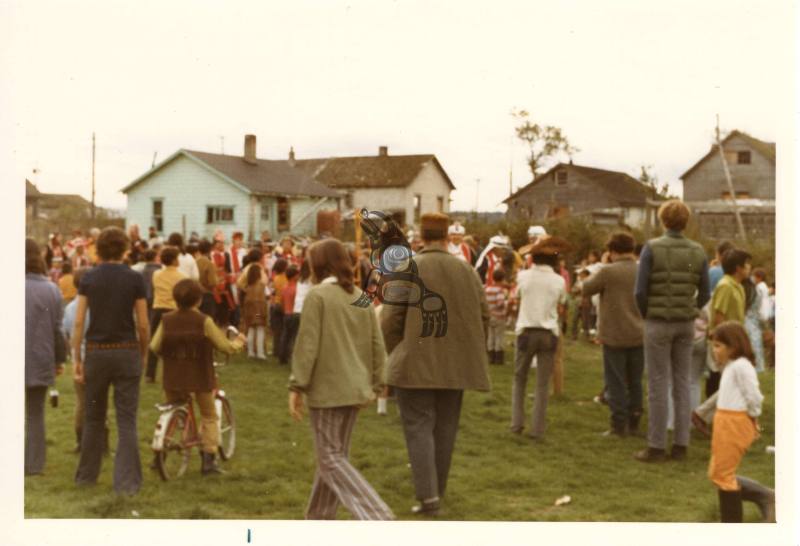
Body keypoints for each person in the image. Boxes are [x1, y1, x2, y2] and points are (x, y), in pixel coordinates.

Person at [382, 213, 490, 516]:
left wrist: (398, 350)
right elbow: (484, 315)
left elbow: (390, 319)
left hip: (414, 362)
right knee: (445, 429)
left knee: (418, 428)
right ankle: (436, 492)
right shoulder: (467, 270)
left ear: (420, 237)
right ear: (446, 236)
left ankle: (429, 498)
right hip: (456, 365)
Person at [289, 238, 394, 520]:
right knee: (335, 457)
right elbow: (377, 345)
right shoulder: (359, 296)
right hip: (355, 388)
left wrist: (297, 385)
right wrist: (376, 384)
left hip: (328, 390)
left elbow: (307, 344)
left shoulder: (317, 296)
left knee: (330, 458)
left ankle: (377, 515)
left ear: (318, 265)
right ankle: (320, 518)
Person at [73, 227, 150, 494]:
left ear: (100, 249)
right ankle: (126, 484)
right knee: (126, 419)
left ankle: (86, 477)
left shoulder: (89, 278)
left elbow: (80, 321)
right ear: (125, 249)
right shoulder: (135, 279)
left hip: (96, 353)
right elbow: (142, 324)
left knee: (94, 417)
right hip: (126, 350)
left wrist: (77, 358)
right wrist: (143, 352)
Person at [633, 200, 710, 463]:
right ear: (686, 221)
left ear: (663, 220)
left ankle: (656, 446)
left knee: (657, 383)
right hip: (685, 323)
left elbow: (640, 291)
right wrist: (690, 307)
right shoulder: (697, 251)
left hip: (657, 321)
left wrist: (647, 313)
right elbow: (704, 293)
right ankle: (680, 445)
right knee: (682, 383)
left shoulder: (651, 248)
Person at [150, 279, 246, 475]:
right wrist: (238, 342)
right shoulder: (204, 321)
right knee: (209, 416)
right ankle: (208, 461)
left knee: (173, 408)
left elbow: (154, 346)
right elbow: (224, 346)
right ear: (199, 300)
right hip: (200, 375)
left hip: (173, 376)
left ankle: (160, 455)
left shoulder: (166, 319)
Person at [707, 321, 774, 523]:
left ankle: (733, 526)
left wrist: (752, 416)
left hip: (734, 422)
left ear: (733, 346)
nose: (714, 350)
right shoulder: (730, 366)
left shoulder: (742, 366)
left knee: (724, 476)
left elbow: (754, 396)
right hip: (724, 420)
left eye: (718, 346)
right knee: (718, 473)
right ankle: (767, 496)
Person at [581, 232, 644, 437]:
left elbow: (586, 288)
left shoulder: (608, 271)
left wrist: (602, 265)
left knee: (615, 379)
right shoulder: (643, 270)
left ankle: (618, 424)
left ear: (612, 251)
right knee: (635, 380)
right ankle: (635, 420)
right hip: (639, 332)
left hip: (614, 333)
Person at [510, 236, 569, 440]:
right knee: (542, 383)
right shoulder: (559, 280)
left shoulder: (523, 277)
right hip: (549, 332)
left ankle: (517, 423)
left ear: (532, 258)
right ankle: (537, 429)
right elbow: (562, 303)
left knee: (520, 379)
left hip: (526, 330)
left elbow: (516, 298)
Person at [25, 238, 66, 475]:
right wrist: (59, 360)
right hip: (40, 357)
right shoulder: (52, 289)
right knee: (35, 411)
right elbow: (57, 329)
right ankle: (33, 464)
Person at [145, 246, 187, 383]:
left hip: (158, 309)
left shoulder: (156, 274)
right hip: (174, 310)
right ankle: (175, 372)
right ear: (174, 260)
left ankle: (150, 374)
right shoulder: (182, 277)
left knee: (154, 342)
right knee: (176, 342)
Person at [242, 264, 268, 360]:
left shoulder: (248, 286)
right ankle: (260, 352)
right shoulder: (261, 285)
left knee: (251, 329)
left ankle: (250, 352)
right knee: (260, 329)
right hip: (258, 311)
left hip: (250, 311)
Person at [484, 268, 509, 365]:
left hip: (490, 316)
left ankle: (491, 357)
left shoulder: (488, 289)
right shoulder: (500, 290)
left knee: (491, 336)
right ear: (502, 279)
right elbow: (500, 303)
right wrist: (506, 303)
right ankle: (499, 359)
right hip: (499, 316)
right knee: (499, 337)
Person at [278, 265, 300, 365]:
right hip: (294, 314)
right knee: (294, 337)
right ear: (294, 276)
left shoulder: (284, 288)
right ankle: (293, 357)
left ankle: (282, 357)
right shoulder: (296, 289)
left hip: (286, 314)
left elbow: (282, 302)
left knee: (285, 336)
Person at [269, 258, 289, 356]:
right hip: (285, 304)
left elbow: (272, 291)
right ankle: (284, 351)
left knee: (277, 330)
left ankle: (275, 350)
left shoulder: (276, 278)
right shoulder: (287, 278)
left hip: (276, 304)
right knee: (285, 329)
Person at [195, 240, 218, 318]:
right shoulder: (209, 263)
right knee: (207, 319)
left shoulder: (195, 261)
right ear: (209, 250)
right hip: (207, 294)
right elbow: (213, 282)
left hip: (196, 293)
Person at [139, 249, 162, 317]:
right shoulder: (159, 271)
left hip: (145, 299)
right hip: (156, 300)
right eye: (158, 256)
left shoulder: (142, 271)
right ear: (155, 257)